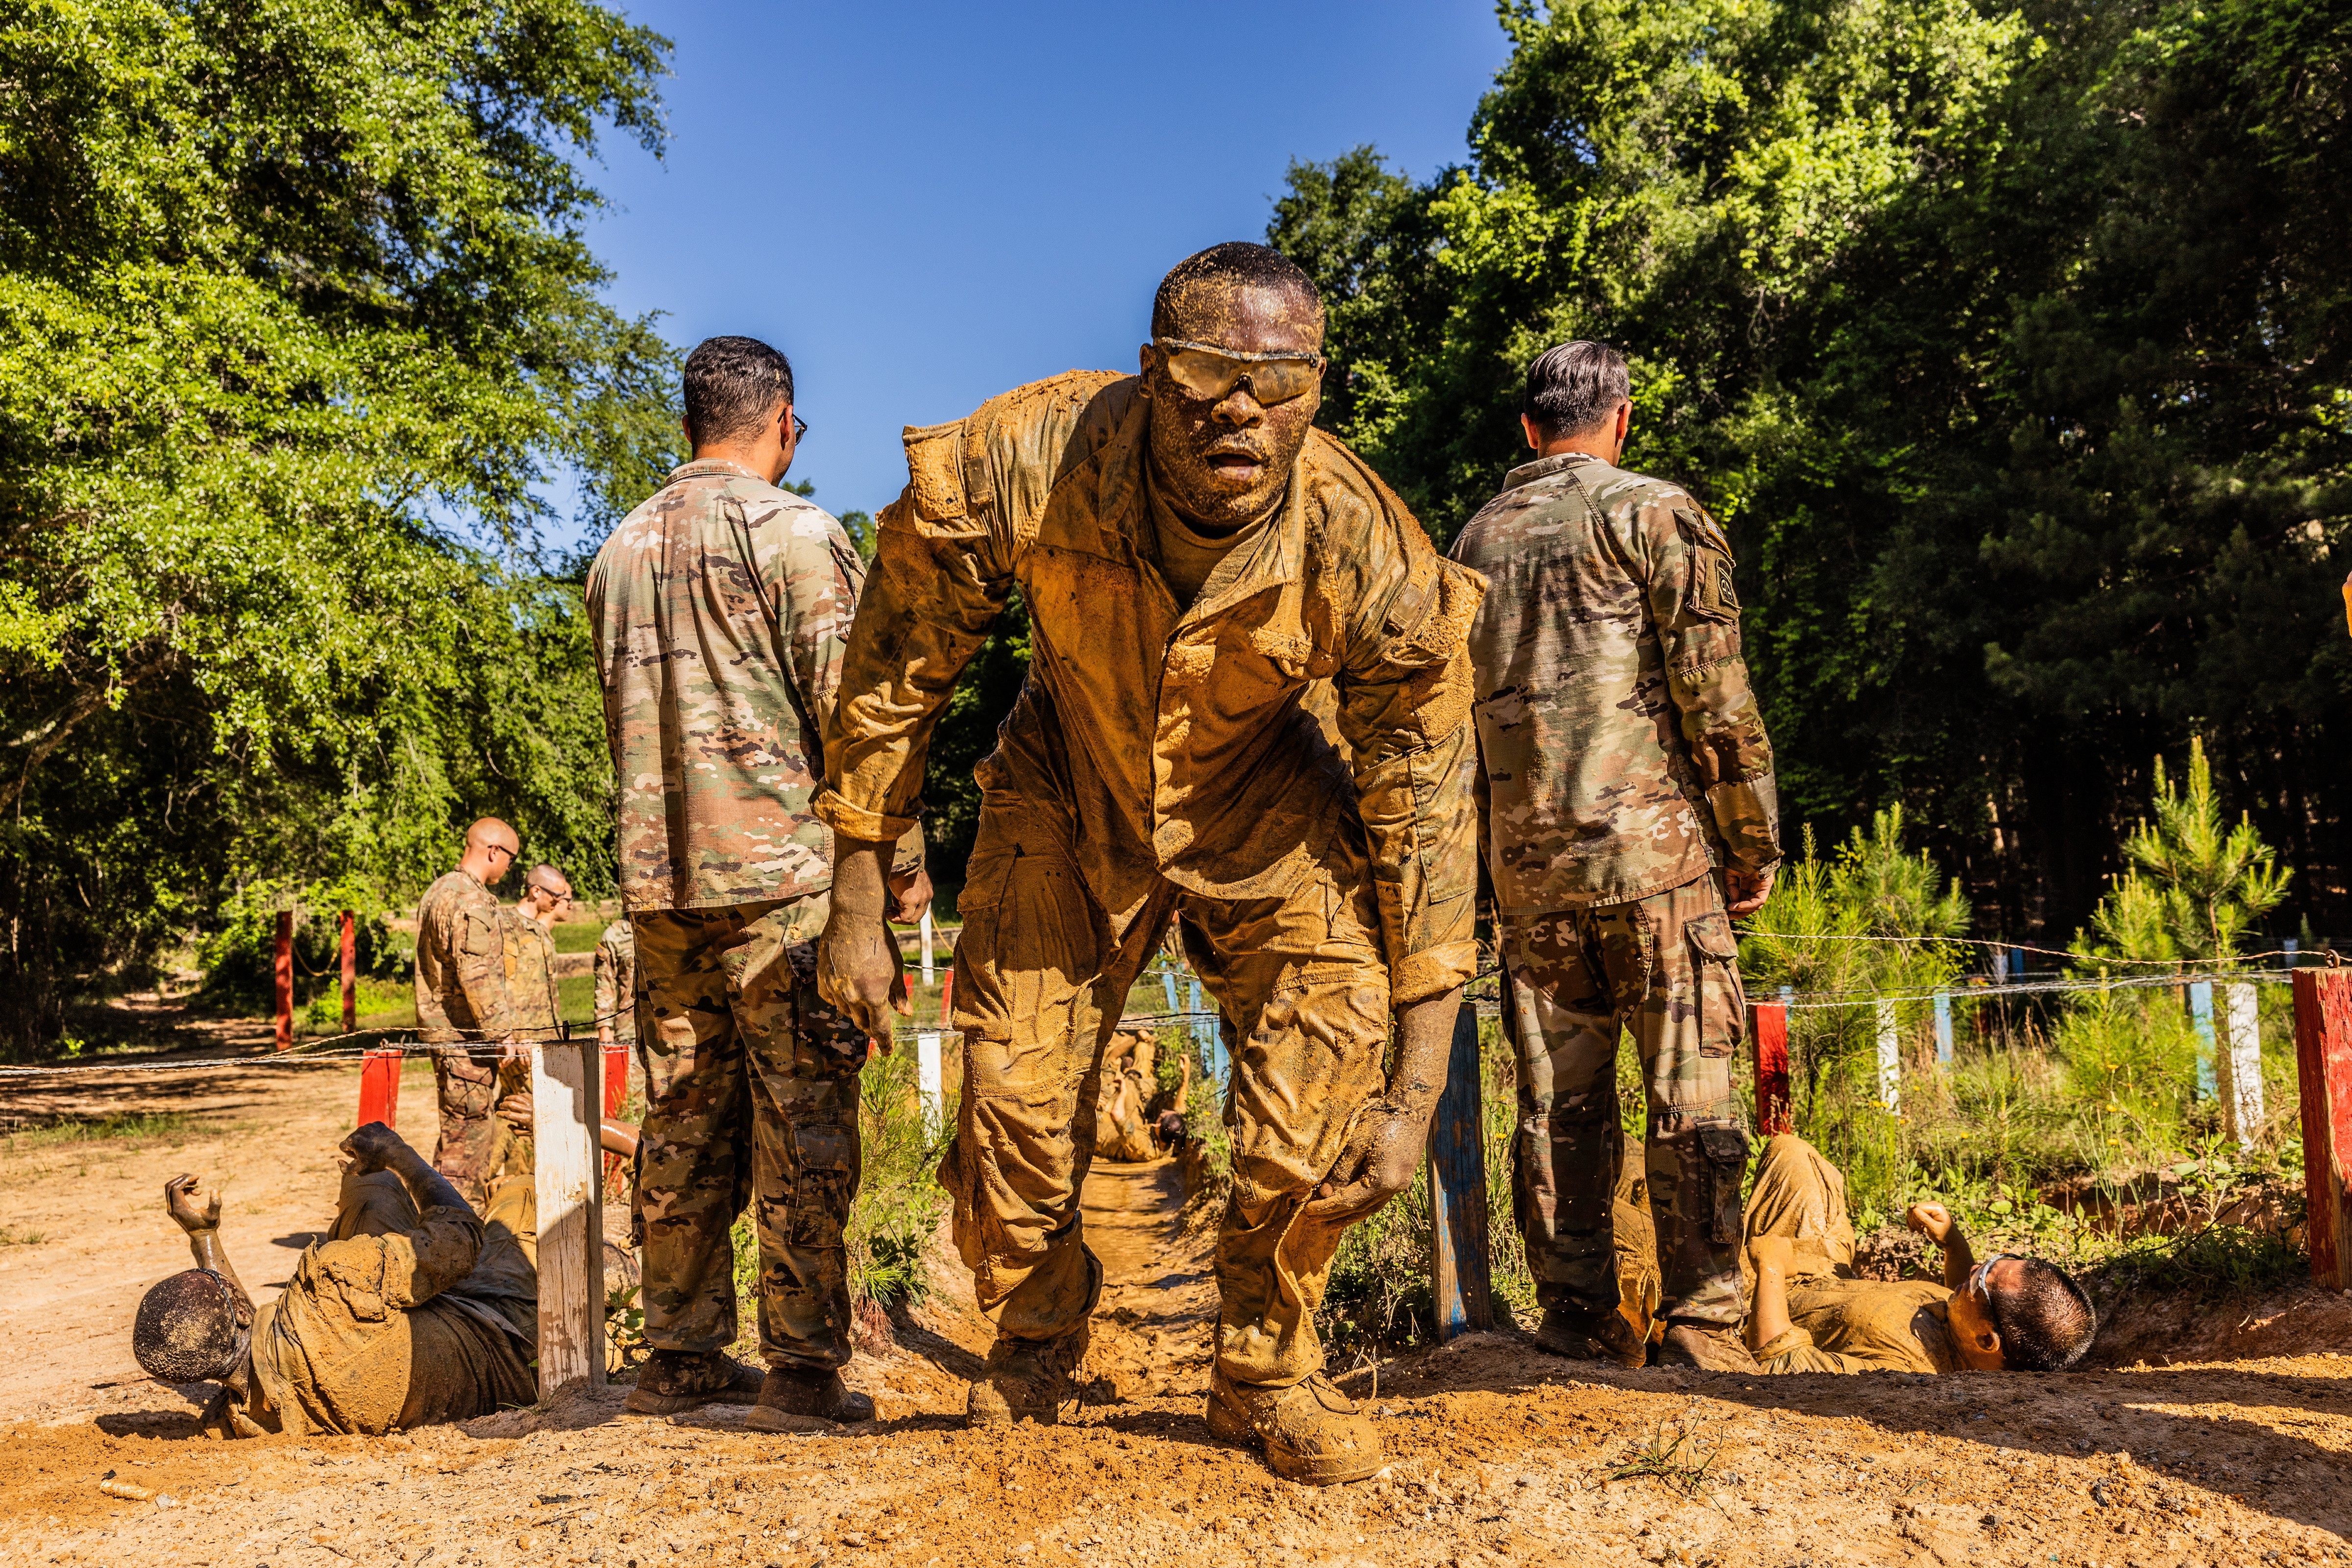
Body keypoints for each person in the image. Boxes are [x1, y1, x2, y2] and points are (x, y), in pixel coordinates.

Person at [814, 243, 1484, 1484]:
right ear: (1148, 374)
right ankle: (1032, 1334)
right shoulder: (1033, 455)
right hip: (1065, 784)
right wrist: (858, 895)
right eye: (1202, 379)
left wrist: (1417, 1084)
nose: (1240, 411)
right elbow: (899, 662)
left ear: (1318, 389)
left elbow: (1428, 813)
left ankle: (1265, 1370)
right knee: (1012, 1109)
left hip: (1268, 801)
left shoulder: (1368, 546)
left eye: (1277, 385)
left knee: (1322, 1079)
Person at [586, 334, 928, 1433]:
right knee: (804, 1122)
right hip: (783, 885)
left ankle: (680, 1355)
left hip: (661, 885)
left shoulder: (617, 549)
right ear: (783, 421)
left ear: (689, 425)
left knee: (682, 1119)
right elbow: (858, 714)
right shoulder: (794, 532)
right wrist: (904, 866)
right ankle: (801, 1368)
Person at [1449, 340, 1782, 1373]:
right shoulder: (1653, 513)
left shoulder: (1471, 542)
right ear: (1622, 419)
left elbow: (1447, 728)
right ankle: (1702, 1322)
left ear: (1529, 429)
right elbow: (1714, 694)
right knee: (1693, 1095)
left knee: (1557, 1106)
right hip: (1657, 861)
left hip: (1527, 878)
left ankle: (1578, 1317)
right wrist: (1750, 838)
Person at [136, 1122, 539, 1437]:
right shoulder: (332, 1286)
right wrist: (401, 1155)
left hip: (430, 1356)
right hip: (507, 1335)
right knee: (520, 1193)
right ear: (240, 1312)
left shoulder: (246, 1419)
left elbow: (249, 1340)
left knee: (371, 1186)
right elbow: (459, 1239)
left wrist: (204, 1238)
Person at [1741, 1134, 2097, 1373]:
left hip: (1756, 1294)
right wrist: (1951, 1241)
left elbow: (1782, 1360)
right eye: (1995, 1261)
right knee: (1794, 1152)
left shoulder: (1904, 1369)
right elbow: (1964, 1291)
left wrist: (1770, 1266)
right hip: (1825, 1269)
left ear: (1988, 1340)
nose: (1975, 1268)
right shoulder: (1970, 1322)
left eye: (1982, 1278)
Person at [414, 818, 524, 1198]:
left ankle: (438, 1219)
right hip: (465, 1041)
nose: (511, 866)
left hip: (449, 1038)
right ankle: (454, 1229)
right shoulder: (470, 899)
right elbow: (475, 972)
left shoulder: (439, 890)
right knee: (466, 1143)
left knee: (456, 1134)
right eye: (511, 857)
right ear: (494, 851)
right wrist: (501, 1033)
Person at [502, 862, 573, 1043]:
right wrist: (519, 1035)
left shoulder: (540, 930)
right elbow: (505, 986)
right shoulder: (508, 926)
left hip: (548, 1034)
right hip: (524, 1039)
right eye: (557, 895)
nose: (559, 901)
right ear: (536, 892)